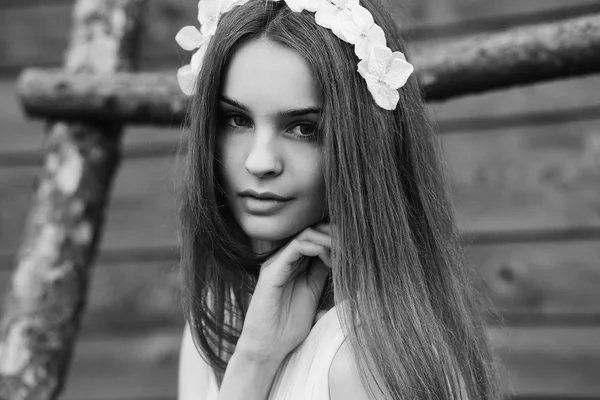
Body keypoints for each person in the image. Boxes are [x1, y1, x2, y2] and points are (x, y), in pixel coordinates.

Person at [176, 0, 501, 398]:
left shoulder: (362, 363)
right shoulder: (216, 318)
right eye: (237, 120)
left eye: (303, 128)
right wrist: (254, 359)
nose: (260, 162)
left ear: (364, 144)